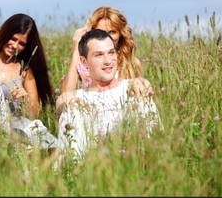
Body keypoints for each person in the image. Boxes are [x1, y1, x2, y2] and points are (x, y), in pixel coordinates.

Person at [56, 29, 160, 160]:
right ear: (84, 62)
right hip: (89, 162)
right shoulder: (78, 97)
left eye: (111, 53)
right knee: (71, 111)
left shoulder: (132, 87)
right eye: (99, 55)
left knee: (141, 97)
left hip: (131, 156)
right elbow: (62, 102)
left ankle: (149, 164)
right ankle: (73, 173)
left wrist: (143, 83)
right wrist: (63, 101)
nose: (108, 61)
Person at [0, 13, 57, 149]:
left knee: (52, 147)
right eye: (13, 39)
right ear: (5, 34)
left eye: (21, 43)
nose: (15, 45)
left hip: (16, 125)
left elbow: (34, 114)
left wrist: (25, 99)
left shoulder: (24, 69)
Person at [60, 6, 149, 94]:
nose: (107, 37)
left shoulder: (131, 64)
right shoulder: (83, 63)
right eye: (100, 32)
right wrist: (77, 49)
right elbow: (65, 96)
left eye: (112, 32)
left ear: (121, 34)